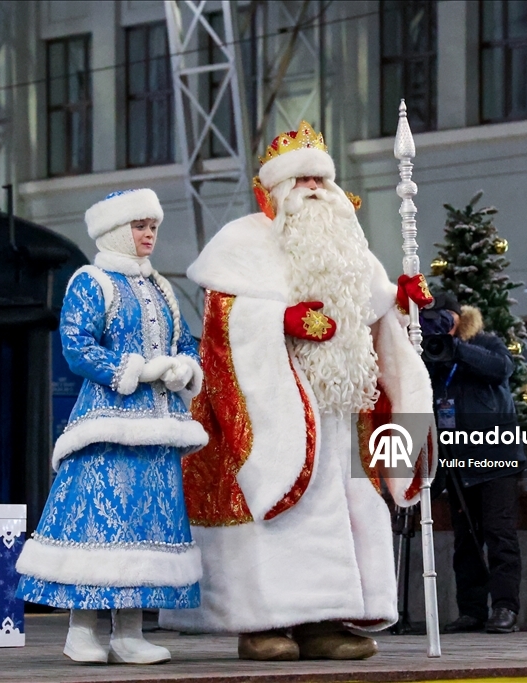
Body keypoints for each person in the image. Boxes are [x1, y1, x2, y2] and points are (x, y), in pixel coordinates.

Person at [159, 121, 436, 661]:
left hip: (338, 414)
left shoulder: (351, 246)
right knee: (282, 506)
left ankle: (325, 620)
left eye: (320, 178)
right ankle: (264, 622)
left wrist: (400, 302)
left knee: (339, 509)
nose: (313, 187)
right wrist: (282, 319)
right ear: (275, 190)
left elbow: (372, 312)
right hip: (274, 412)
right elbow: (223, 323)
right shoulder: (241, 244)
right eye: (301, 178)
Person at [14, 189, 210, 664]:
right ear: (116, 231)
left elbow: (185, 339)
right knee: (98, 522)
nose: (149, 236)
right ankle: (81, 631)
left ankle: (128, 633)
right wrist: (139, 369)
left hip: (159, 424)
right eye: (140, 226)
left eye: (154, 227)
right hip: (107, 422)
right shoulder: (92, 280)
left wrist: (185, 366)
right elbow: (77, 346)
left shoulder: (162, 286)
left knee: (144, 524)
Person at [422, 293, 526, 634]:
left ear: (458, 318)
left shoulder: (485, 343)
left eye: (442, 317)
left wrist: (458, 348)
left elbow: (502, 369)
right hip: (457, 463)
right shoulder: (431, 356)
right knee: (465, 540)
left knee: (499, 534)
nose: (436, 323)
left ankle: (505, 608)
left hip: (496, 458)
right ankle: (471, 610)